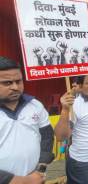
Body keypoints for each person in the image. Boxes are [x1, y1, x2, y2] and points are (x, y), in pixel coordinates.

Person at [0, 56, 54, 184]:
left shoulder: (35, 105)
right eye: (7, 83)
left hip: (35, 178)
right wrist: (19, 180)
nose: (15, 87)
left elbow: (47, 136)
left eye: (18, 81)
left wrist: (41, 168)